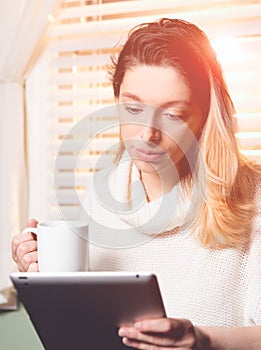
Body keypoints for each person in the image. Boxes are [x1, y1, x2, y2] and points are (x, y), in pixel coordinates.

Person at [11, 18, 261, 349]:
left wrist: (203, 340)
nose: (147, 134)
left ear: (205, 117)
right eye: (132, 108)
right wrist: (45, 277)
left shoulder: (251, 198)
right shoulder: (103, 196)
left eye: (173, 115)